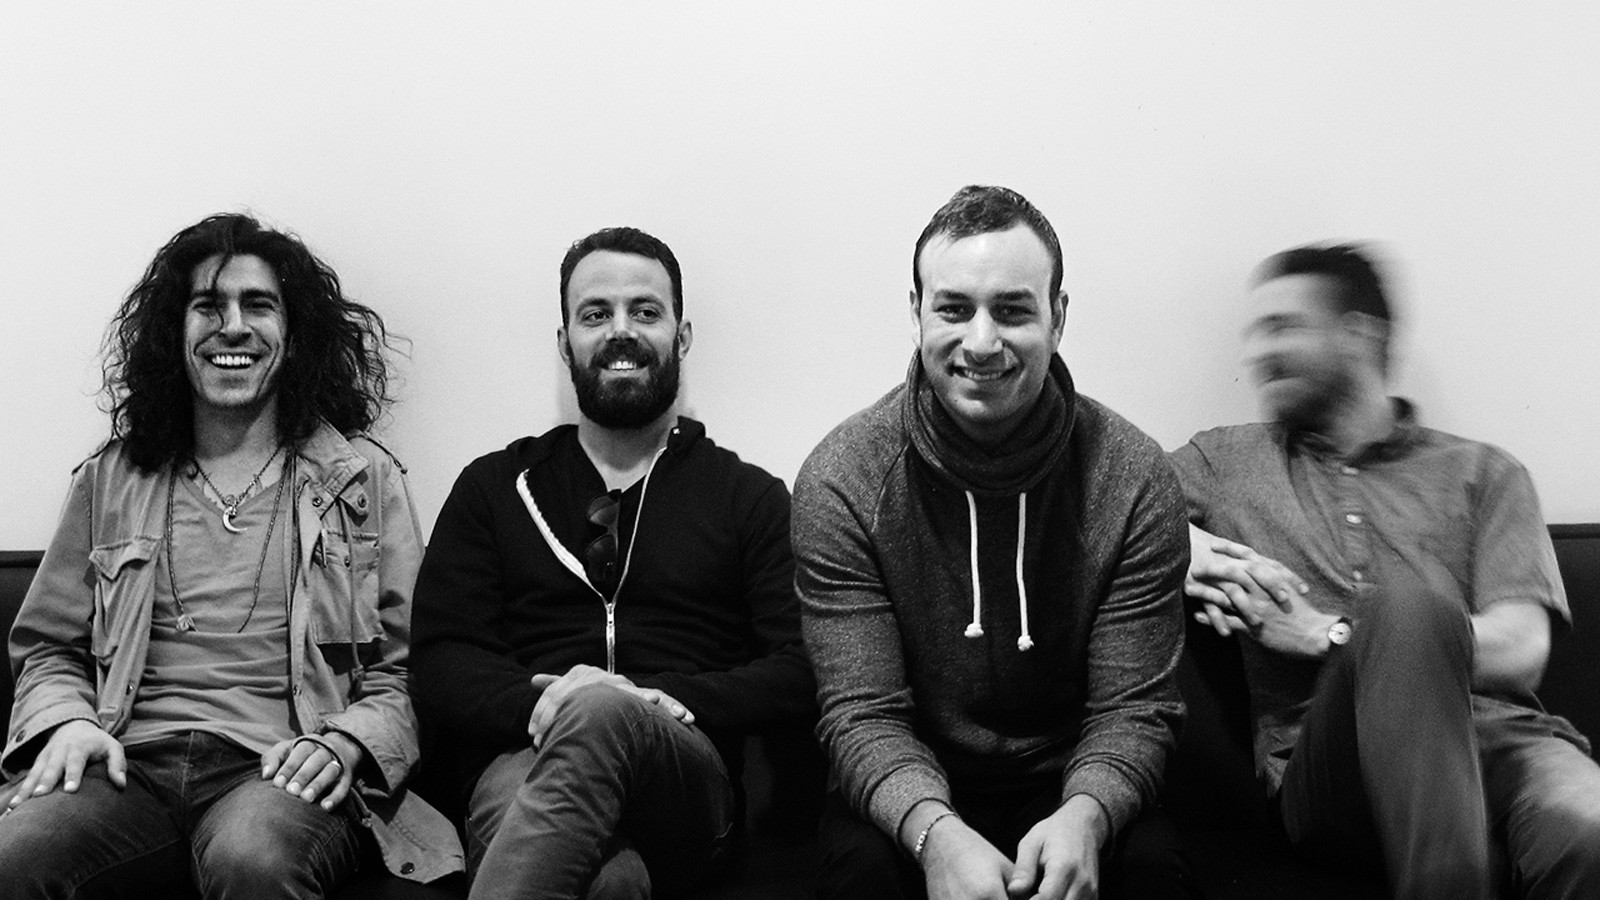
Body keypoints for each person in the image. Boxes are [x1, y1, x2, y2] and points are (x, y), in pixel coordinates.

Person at [0, 213, 460, 898]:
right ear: (175, 331)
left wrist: (347, 743)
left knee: (253, 858)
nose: (233, 327)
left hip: (278, 771)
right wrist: (66, 721)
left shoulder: (362, 480)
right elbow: (48, 648)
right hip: (126, 765)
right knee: (14, 854)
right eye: (209, 306)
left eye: (259, 305)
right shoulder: (111, 478)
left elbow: (412, 668)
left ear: (294, 335)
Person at [794, 185, 1197, 900]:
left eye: (1012, 310)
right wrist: (934, 835)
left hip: (1072, 781)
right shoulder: (842, 479)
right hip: (914, 782)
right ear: (916, 313)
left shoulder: (1133, 478)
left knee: (1154, 870)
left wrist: (1088, 815)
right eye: (954, 309)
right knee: (859, 875)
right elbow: (863, 713)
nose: (981, 343)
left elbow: (1133, 710)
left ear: (1058, 317)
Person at [1172, 244, 1600, 899]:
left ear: (1358, 336)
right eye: (1255, 333)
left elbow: (1521, 649)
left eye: (1282, 327)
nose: (1259, 354)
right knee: (1408, 604)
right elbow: (1103, 504)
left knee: (1588, 830)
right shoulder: (1226, 462)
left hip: (1505, 746)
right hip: (1331, 770)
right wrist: (1189, 546)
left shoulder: (1485, 475)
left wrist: (1331, 633)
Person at [410, 226, 814, 900]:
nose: (620, 331)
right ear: (565, 341)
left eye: (645, 311)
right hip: (523, 760)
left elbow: (800, 665)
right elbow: (443, 658)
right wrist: (545, 702)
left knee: (603, 712)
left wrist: (656, 699)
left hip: (684, 777)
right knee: (611, 884)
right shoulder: (494, 488)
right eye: (596, 314)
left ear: (682, 336)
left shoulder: (748, 498)